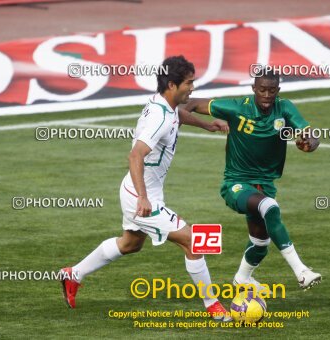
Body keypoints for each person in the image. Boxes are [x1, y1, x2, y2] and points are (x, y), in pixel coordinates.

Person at [60, 55, 232, 321]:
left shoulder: (165, 105)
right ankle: (214, 306)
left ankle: (74, 274)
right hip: (141, 196)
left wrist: (207, 125)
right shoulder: (158, 119)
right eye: (189, 83)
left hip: (139, 190)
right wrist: (143, 198)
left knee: (129, 244)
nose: (193, 88)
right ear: (172, 85)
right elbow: (135, 156)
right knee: (194, 241)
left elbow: (179, 116)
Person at [184, 69, 322, 291]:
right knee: (270, 207)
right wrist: (177, 126)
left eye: (272, 91)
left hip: (265, 185)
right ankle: (301, 271)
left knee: (260, 243)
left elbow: (311, 135)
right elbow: (190, 103)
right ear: (253, 89)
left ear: (278, 90)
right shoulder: (237, 107)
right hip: (236, 184)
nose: (267, 95)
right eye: (262, 90)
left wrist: (310, 143)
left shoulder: (285, 108)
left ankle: (242, 278)